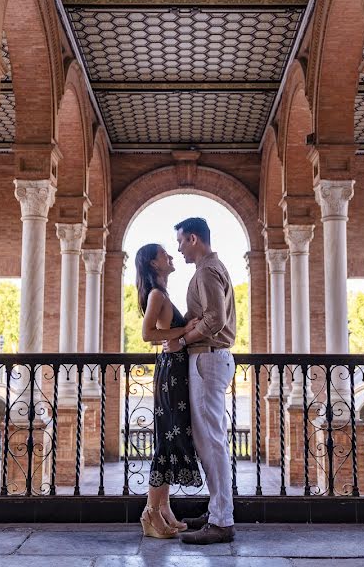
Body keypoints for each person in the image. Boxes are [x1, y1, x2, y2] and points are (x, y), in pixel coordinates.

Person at [164, 217, 237, 545]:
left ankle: (222, 521)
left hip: (208, 357)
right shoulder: (211, 268)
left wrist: (183, 338)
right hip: (209, 359)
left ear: (193, 238)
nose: (178, 248)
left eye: (180, 241)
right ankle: (217, 509)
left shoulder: (207, 271)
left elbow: (216, 318)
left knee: (212, 441)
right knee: (209, 440)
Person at [135, 243, 203, 539]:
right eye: (165, 254)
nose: (171, 257)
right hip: (170, 372)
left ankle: (164, 510)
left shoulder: (163, 294)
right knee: (166, 440)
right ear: (153, 263)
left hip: (175, 368)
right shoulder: (156, 295)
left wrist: (181, 330)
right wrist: (185, 330)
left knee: (171, 437)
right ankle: (150, 513)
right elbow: (148, 334)